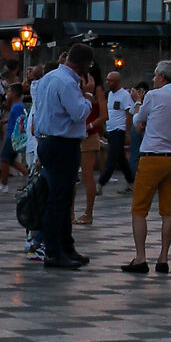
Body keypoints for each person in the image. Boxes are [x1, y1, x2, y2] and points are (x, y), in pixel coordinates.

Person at [31, 41, 95, 270]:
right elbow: (78, 113)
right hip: (62, 144)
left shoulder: (49, 77)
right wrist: (88, 96)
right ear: (83, 66)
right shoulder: (68, 82)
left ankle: (67, 246)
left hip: (48, 141)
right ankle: (54, 251)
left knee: (63, 197)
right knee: (58, 199)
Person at [125, 59, 171, 276]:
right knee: (168, 211)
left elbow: (138, 120)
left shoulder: (153, 95)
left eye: (155, 75)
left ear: (162, 76)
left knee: (139, 209)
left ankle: (141, 257)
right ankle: (163, 257)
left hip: (152, 156)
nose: (153, 79)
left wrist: (137, 105)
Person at [77, 64, 103, 227]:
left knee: (87, 176)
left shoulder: (97, 90)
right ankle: (71, 212)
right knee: (74, 177)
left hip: (89, 135)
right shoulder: (77, 88)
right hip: (76, 135)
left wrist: (91, 126)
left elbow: (104, 115)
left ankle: (88, 212)